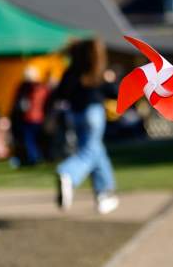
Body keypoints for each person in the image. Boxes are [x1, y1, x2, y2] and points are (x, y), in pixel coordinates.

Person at [50, 39, 119, 214]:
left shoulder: (71, 71)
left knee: (95, 150)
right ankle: (68, 173)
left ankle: (104, 194)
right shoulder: (97, 71)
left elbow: (60, 94)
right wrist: (110, 80)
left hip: (75, 115)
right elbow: (114, 92)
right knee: (90, 152)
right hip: (94, 113)